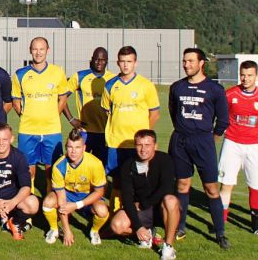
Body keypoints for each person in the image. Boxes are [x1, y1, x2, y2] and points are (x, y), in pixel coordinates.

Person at [168, 48, 230, 249]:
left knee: (211, 188)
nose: (186, 65)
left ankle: (220, 232)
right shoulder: (177, 87)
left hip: (203, 142)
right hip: (180, 141)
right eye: (184, 61)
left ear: (201, 63)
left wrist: (210, 139)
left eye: (191, 61)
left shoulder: (215, 89)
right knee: (182, 185)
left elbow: (223, 120)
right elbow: (173, 113)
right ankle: (180, 227)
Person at [218, 60, 258, 236]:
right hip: (232, 144)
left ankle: (256, 227)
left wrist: (253, 134)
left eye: (249, 75)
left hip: (255, 146)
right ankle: (220, 224)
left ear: (256, 76)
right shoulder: (230, 94)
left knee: (256, 186)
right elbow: (222, 117)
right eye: (243, 75)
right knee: (226, 185)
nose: (245, 79)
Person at [102, 46, 160, 209]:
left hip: (137, 145)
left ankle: (141, 214)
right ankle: (115, 214)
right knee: (117, 180)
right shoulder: (110, 85)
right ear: (117, 63)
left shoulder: (145, 85)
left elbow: (154, 113)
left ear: (135, 63)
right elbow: (107, 111)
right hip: (116, 143)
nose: (126, 65)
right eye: (122, 61)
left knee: (140, 181)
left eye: (129, 61)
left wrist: (144, 138)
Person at [109, 129, 179, 260]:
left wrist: (143, 204)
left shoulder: (165, 160)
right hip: (142, 211)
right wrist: (138, 227)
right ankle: (147, 234)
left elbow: (166, 188)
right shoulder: (127, 166)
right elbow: (127, 198)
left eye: (147, 145)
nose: (143, 149)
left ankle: (168, 246)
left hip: (161, 209)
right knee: (116, 226)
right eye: (139, 145)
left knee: (171, 200)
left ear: (155, 146)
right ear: (135, 146)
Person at [12, 37, 70, 191]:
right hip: (27, 130)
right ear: (30, 50)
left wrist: (54, 115)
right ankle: (29, 198)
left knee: (52, 170)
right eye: (35, 49)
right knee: (28, 170)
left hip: (51, 130)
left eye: (41, 49)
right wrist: (25, 116)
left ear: (47, 50)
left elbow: (63, 98)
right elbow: (16, 101)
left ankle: (50, 200)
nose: (38, 53)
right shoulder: (20, 74)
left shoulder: (57, 72)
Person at [42, 129, 109, 246]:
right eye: (70, 147)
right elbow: (61, 199)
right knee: (48, 202)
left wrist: (77, 205)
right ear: (66, 147)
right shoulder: (59, 166)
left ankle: (94, 231)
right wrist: (67, 230)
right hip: (67, 194)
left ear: (84, 148)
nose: (73, 151)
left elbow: (99, 192)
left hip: (88, 194)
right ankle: (54, 229)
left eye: (77, 147)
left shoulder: (95, 164)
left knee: (102, 211)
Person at [65, 47, 115, 161]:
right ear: (91, 60)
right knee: (79, 162)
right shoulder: (79, 76)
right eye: (97, 59)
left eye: (102, 60)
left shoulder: (113, 79)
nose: (99, 62)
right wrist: (71, 119)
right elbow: (61, 98)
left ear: (107, 61)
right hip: (84, 131)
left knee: (101, 166)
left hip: (105, 132)